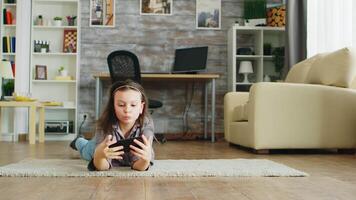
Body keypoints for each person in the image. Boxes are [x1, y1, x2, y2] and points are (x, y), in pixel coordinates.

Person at [70, 79, 155, 171]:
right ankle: (78, 141)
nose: (127, 110)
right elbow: (102, 167)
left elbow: (140, 166)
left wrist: (145, 160)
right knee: (85, 149)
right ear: (113, 107)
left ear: (141, 107)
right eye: (121, 105)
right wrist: (99, 155)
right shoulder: (104, 125)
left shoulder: (147, 125)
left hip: (127, 158)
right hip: (96, 147)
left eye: (133, 105)